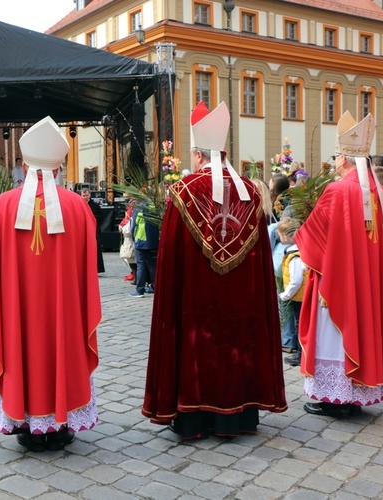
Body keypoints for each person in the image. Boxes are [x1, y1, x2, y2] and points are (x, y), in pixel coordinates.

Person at [142, 101, 287, 439]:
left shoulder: (183, 192)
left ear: (197, 155)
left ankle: (193, 418)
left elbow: (170, 262)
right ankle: (241, 415)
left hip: (195, 306)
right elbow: (262, 261)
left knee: (197, 346)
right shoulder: (253, 193)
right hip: (242, 306)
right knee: (239, 345)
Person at [0, 116, 101, 452]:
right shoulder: (77, 207)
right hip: (65, 311)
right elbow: (90, 264)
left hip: (17, 310)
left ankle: (25, 422)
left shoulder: (1, 206)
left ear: (24, 166)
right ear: (58, 169)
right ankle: (60, 425)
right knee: (63, 350)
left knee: (19, 350)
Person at [295, 111, 383, 419]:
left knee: (333, 336)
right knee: (364, 327)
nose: (333, 163)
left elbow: (312, 238)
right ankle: (356, 395)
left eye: (334, 157)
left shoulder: (337, 190)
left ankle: (334, 398)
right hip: (370, 288)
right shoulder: (381, 194)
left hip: (338, 286)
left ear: (344, 158)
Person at [277, 217, 307, 367]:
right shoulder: (299, 251)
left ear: (287, 236)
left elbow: (296, 280)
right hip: (300, 296)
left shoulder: (294, 257)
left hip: (299, 297)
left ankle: (301, 356)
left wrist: (284, 295)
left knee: (300, 326)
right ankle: (301, 354)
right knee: (301, 325)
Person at [129, 206, 158, 297]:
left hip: (141, 241)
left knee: (141, 266)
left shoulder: (139, 208)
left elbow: (133, 225)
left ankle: (140, 289)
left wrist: (134, 239)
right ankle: (154, 287)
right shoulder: (155, 207)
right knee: (153, 265)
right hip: (154, 241)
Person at [81, 188, 105, 273]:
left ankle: (96, 269)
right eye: (83, 196)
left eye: (86, 195)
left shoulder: (95, 205)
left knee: (95, 249)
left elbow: (101, 217)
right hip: (82, 231)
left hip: (93, 231)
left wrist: (91, 217)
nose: (85, 197)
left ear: (90, 195)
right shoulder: (79, 204)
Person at [119, 205, 137, 282]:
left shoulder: (133, 207)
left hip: (131, 237)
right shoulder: (131, 205)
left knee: (132, 258)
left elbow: (128, 223)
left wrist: (122, 227)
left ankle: (136, 277)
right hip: (131, 236)